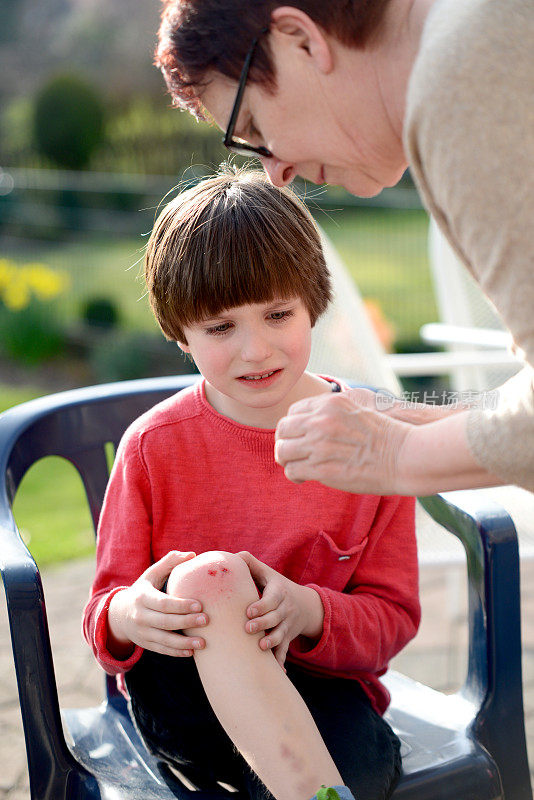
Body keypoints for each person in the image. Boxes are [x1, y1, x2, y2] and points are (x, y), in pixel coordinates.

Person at [83, 168, 420, 800]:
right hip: (186, 695)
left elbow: (393, 618)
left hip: (319, 688)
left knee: (344, 769)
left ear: (313, 301)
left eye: (277, 314)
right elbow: (104, 616)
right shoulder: (154, 447)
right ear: (179, 331)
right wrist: (133, 613)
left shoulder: (368, 439)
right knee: (211, 577)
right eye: (220, 327)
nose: (255, 349)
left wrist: (310, 609)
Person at [154, 0, 534, 496]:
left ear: (301, 40)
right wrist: (413, 426)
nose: (276, 172)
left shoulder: (460, 78)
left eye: (256, 128)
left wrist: (393, 455)